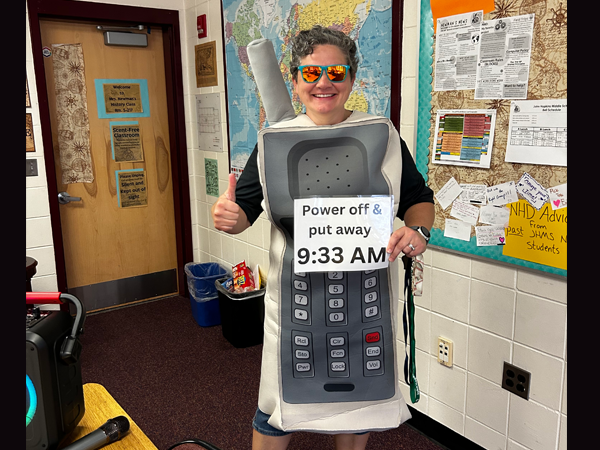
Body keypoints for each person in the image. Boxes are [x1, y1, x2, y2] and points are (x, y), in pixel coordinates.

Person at [212, 25, 435, 450]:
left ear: (352, 78)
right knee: (276, 410)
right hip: (296, 298)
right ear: (294, 80)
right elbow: (245, 212)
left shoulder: (382, 135)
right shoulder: (275, 140)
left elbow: (418, 198)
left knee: (360, 403)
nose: (324, 83)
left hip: (365, 296)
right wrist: (230, 217)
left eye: (336, 72)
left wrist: (418, 231)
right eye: (310, 74)